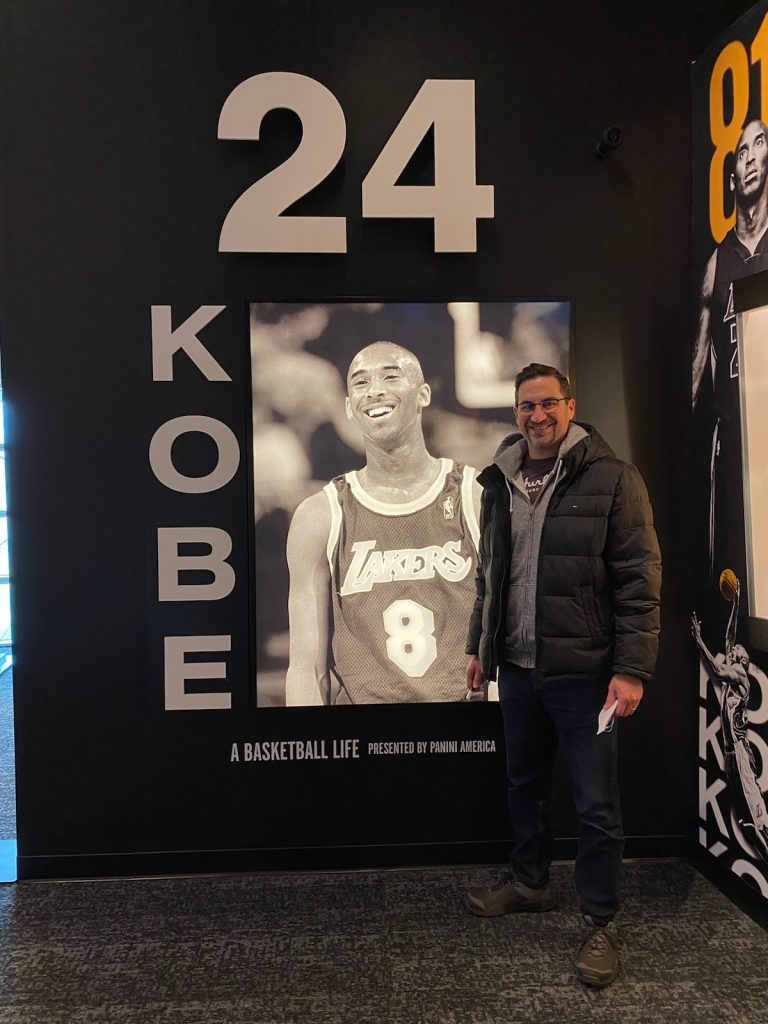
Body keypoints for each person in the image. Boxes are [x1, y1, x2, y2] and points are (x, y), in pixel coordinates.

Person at [463, 363, 661, 988]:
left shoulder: (613, 479)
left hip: (586, 676)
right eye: (526, 405)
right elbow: (489, 575)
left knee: (596, 806)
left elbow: (639, 583)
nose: (537, 415)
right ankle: (529, 883)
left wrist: (632, 671)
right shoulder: (499, 479)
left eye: (548, 403)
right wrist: (479, 646)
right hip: (517, 670)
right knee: (524, 784)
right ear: (514, 412)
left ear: (570, 406)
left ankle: (600, 922)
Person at [285, 341, 481, 705]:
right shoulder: (320, 515)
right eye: (360, 383)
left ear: (423, 394)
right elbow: (306, 671)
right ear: (348, 407)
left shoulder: (477, 497)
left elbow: (510, 650)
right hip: (366, 739)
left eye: (391, 376)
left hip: (463, 733)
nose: (374, 390)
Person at [692, 119, 768, 589]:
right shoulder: (717, 264)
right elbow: (696, 369)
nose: (750, 156)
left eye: (760, 144)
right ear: (733, 176)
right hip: (736, 440)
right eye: (741, 150)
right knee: (736, 568)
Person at [692, 577, 768, 865]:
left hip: (738, 750)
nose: (735, 649)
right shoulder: (734, 670)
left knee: (754, 819)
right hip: (731, 753)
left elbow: (714, 666)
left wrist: (699, 639)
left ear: (744, 661)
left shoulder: (739, 676)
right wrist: (736, 603)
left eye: (739, 651)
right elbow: (730, 637)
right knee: (746, 823)